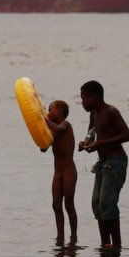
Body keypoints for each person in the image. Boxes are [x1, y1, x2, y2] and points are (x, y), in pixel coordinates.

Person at [78, 80, 129, 249]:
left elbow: (127, 135)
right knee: (97, 204)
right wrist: (86, 144)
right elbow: (91, 136)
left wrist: (101, 144)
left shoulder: (111, 112)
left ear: (94, 97)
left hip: (116, 162)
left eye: (84, 98)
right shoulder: (93, 114)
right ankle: (105, 243)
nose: (82, 103)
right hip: (103, 163)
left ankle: (116, 244)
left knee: (108, 203)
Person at [41, 99, 78, 243]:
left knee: (68, 203)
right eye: (48, 110)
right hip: (57, 172)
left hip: (69, 170)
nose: (49, 113)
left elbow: (58, 129)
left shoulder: (65, 125)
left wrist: (42, 117)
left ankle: (73, 236)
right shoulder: (52, 130)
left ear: (61, 112)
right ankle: (60, 236)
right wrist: (43, 135)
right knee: (56, 205)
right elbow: (43, 149)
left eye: (52, 110)